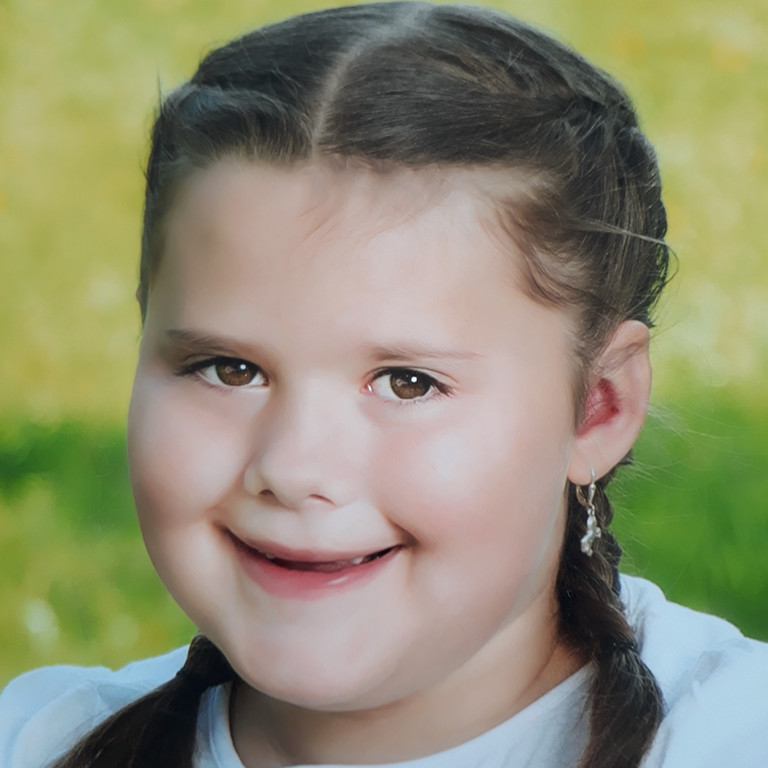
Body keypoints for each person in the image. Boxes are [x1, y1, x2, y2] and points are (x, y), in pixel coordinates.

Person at [1, 2, 766, 767]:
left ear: (597, 409)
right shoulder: (37, 743)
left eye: (407, 383)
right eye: (229, 369)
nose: (293, 468)